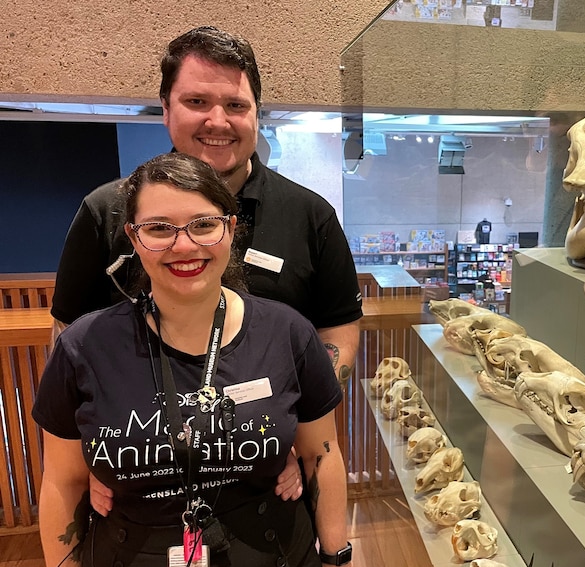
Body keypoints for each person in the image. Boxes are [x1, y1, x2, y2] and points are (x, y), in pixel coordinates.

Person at [50, 26, 363, 513]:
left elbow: (339, 330)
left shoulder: (310, 215)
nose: (218, 121)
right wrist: (94, 456)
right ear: (165, 107)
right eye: (197, 101)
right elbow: (69, 340)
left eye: (236, 105)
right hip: (138, 495)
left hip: (273, 492)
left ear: (258, 112)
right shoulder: (106, 211)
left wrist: (294, 427)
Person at [34, 153, 355, 567]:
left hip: (277, 556)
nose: (184, 245)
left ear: (230, 229)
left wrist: (337, 562)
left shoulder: (288, 332)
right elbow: (63, 482)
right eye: (159, 229)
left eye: (203, 225)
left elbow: (321, 455)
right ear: (133, 238)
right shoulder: (84, 347)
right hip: (127, 558)